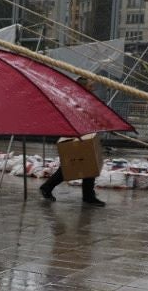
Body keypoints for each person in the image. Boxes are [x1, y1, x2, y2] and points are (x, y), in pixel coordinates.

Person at [40, 76, 107, 206]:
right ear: (83, 87)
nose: (93, 87)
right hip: (75, 136)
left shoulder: (84, 99)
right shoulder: (75, 100)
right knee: (73, 165)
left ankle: (88, 196)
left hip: (83, 135)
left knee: (88, 165)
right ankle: (48, 187)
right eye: (90, 85)